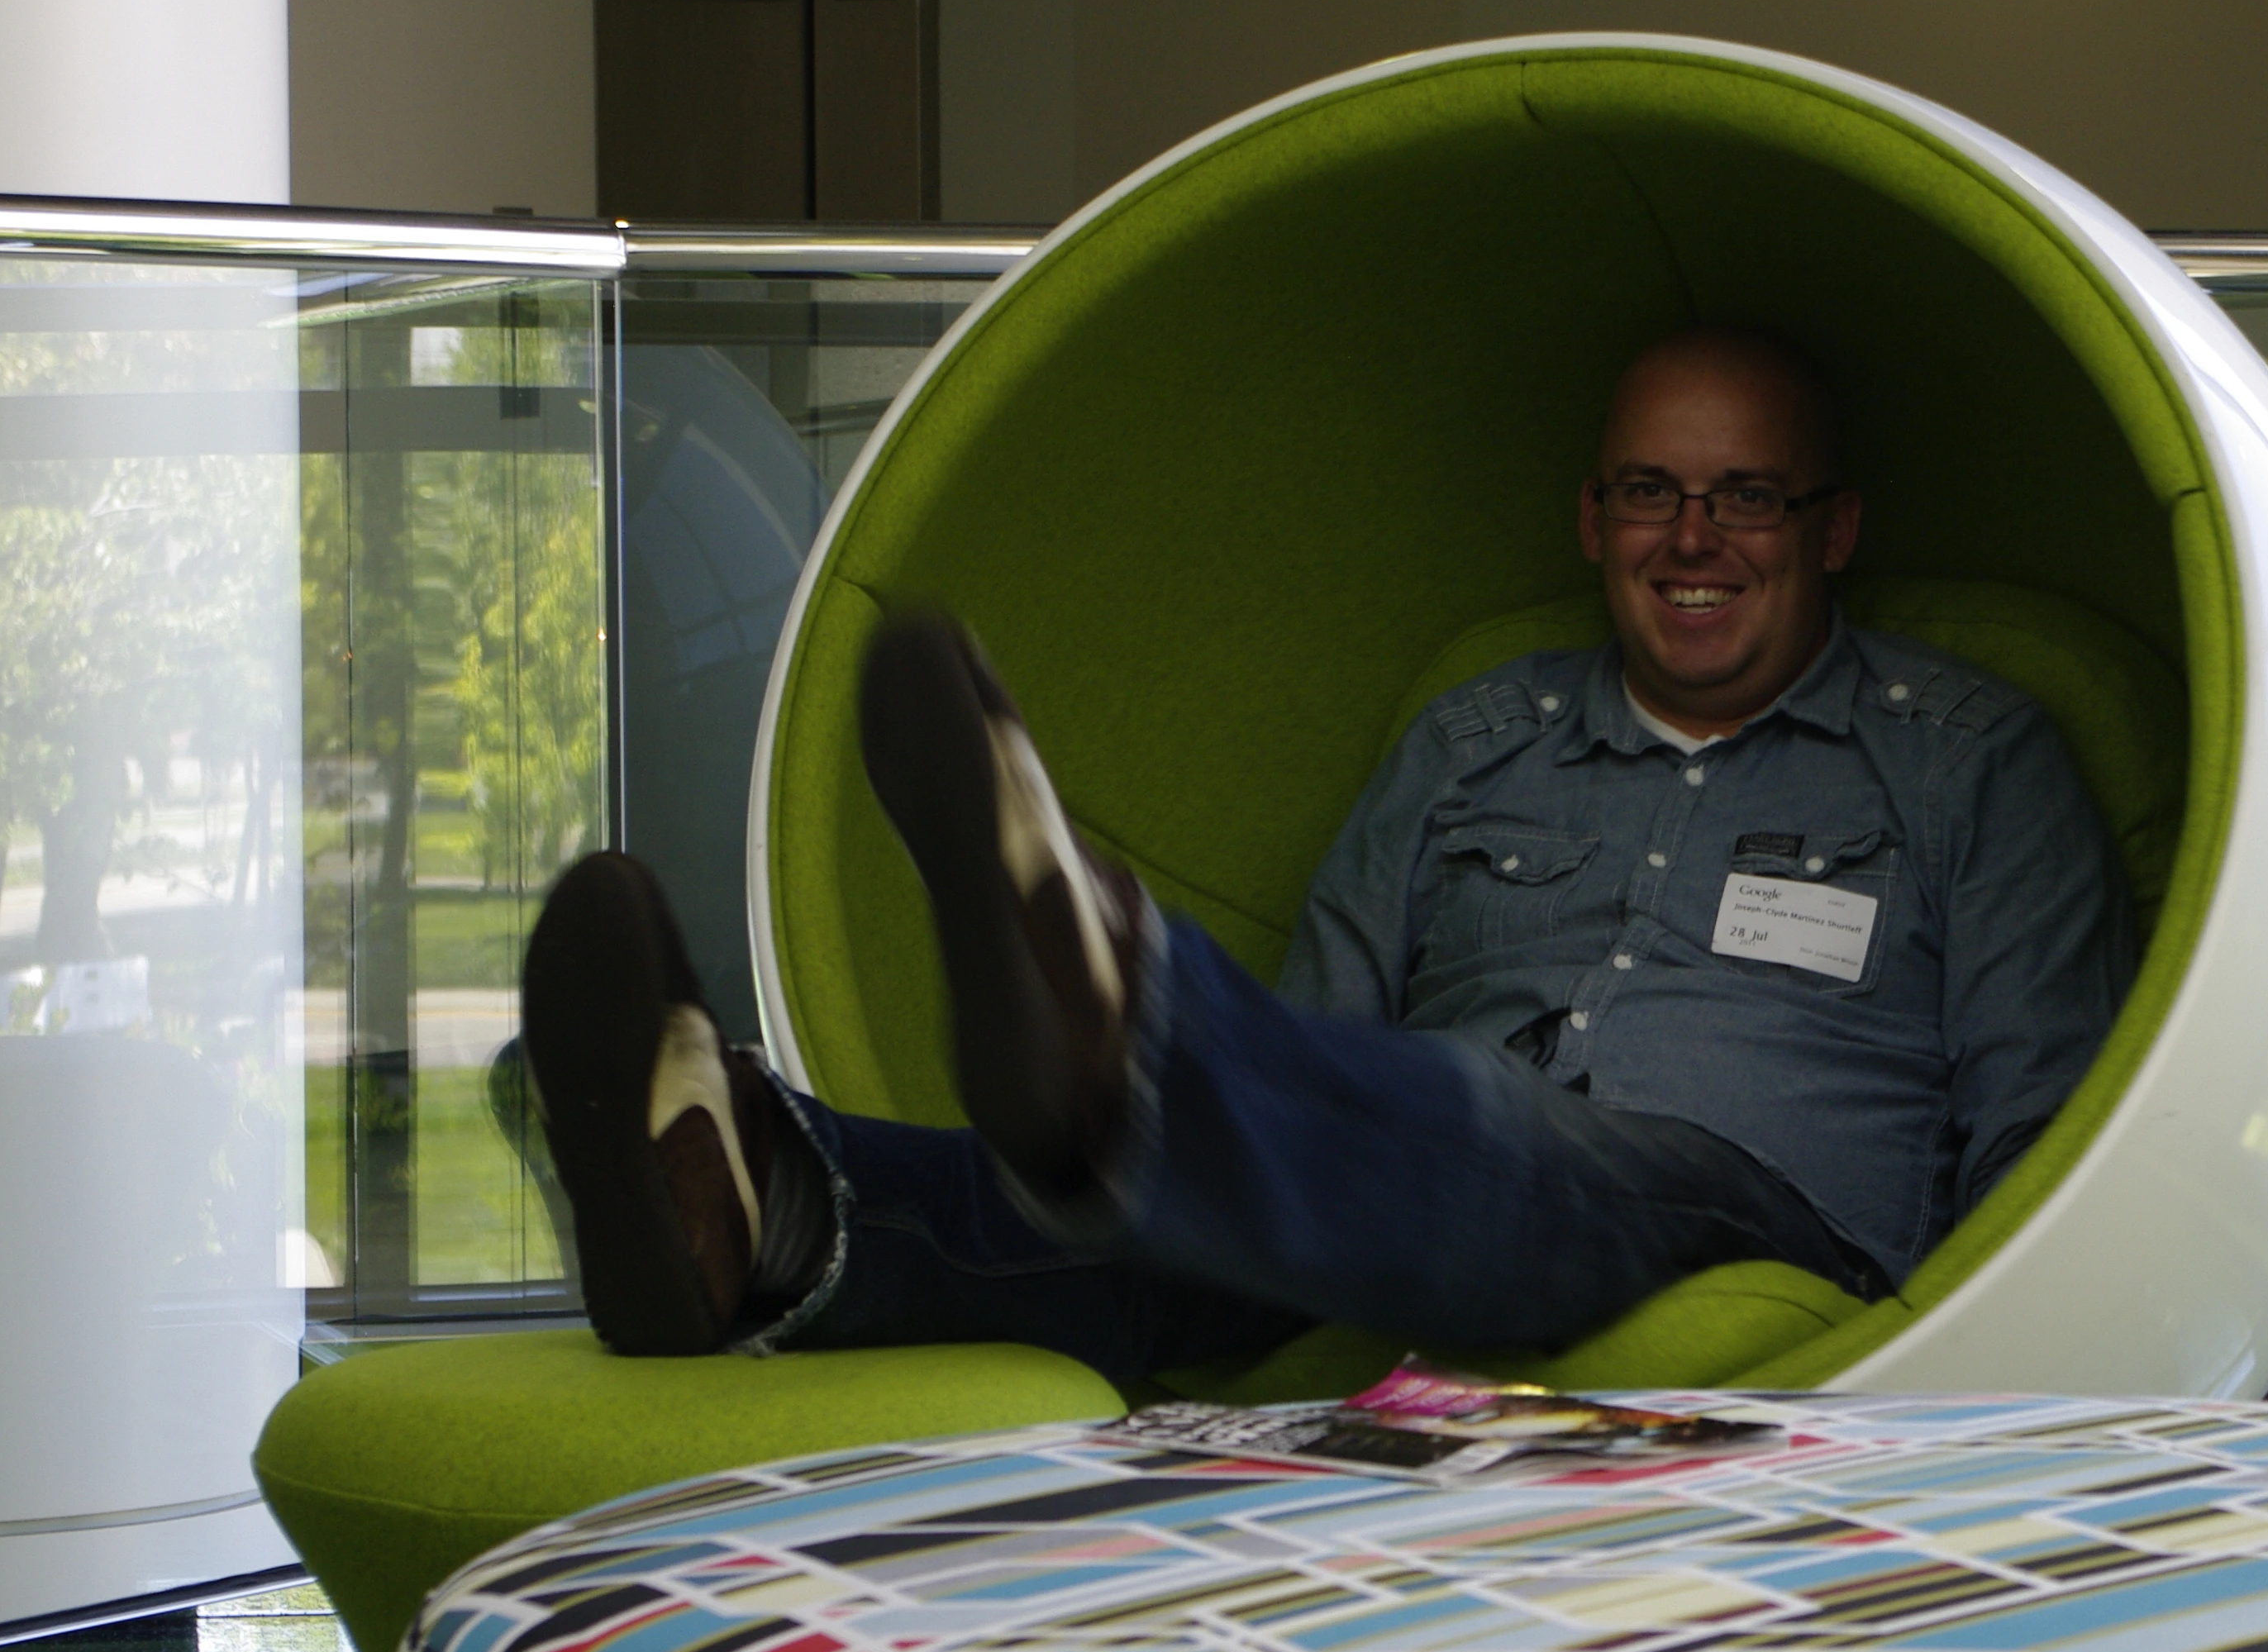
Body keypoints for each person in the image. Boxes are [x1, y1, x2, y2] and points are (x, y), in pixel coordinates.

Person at [517, 326, 2133, 1384]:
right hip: (1415, 1181)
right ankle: (769, 1195)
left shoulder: (1968, 762)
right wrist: (1227, 1119)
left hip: (1755, 1221)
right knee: (1212, 1183)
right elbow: (1317, 1045)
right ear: (1590, 519)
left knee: (1473, 1133)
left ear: (1832, 527)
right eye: (1649, 490)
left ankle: (1120, 1018)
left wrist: (1948, 1409)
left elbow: (2045, 1147)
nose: (1690, 536)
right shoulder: (1472, 738)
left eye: (1744, 496)